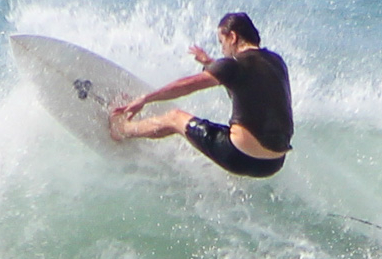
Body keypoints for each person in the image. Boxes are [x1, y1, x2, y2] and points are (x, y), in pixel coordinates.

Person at [109, 12, 292, 178]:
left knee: (174, 118)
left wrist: (145, 99)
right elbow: (248, 90)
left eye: (222, 42)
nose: (222, 50)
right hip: (273, 163)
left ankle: (122, 129)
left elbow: (185, 86)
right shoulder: (277, 62)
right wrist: (209, 63)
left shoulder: (233, 64)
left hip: (239, 156)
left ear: (233, 37)